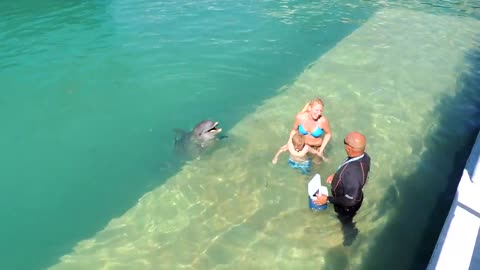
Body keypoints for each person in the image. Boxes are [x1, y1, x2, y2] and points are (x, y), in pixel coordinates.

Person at [314, 131, 371, 246]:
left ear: (350, 148)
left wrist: (328, 199)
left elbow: (350, 200)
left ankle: (350, 238)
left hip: (347, 206)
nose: (343, 144)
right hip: (352, 192)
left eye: (344, 142)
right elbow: (349, 171)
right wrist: (337, 176)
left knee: (345, 222)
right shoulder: (364, 157)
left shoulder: (352, 174)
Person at [290, 98, 332, 162]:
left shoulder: (322, 121)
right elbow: (294, 130)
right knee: (299, 166)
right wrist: (290, 142)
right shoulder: (300, 117)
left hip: (317, 148)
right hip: (302, 147)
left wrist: (321, 149)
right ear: (310, 108)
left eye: (320, 111)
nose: (319, 113)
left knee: (317, 167)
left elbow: (328, 134)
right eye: (317, 110)